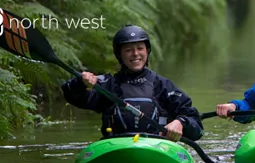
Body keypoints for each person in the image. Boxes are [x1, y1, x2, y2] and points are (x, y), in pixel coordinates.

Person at [61, 24, 204, 142]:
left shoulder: (162, 86)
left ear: (147, 51)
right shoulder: (108, 85)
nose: (135, 54)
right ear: (119, 55)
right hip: (116, 147)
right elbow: (72, 95)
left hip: (157, 148)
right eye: (128, 50)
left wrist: (181, 122)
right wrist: (80, 83)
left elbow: (196, 127)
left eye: (140, 48)